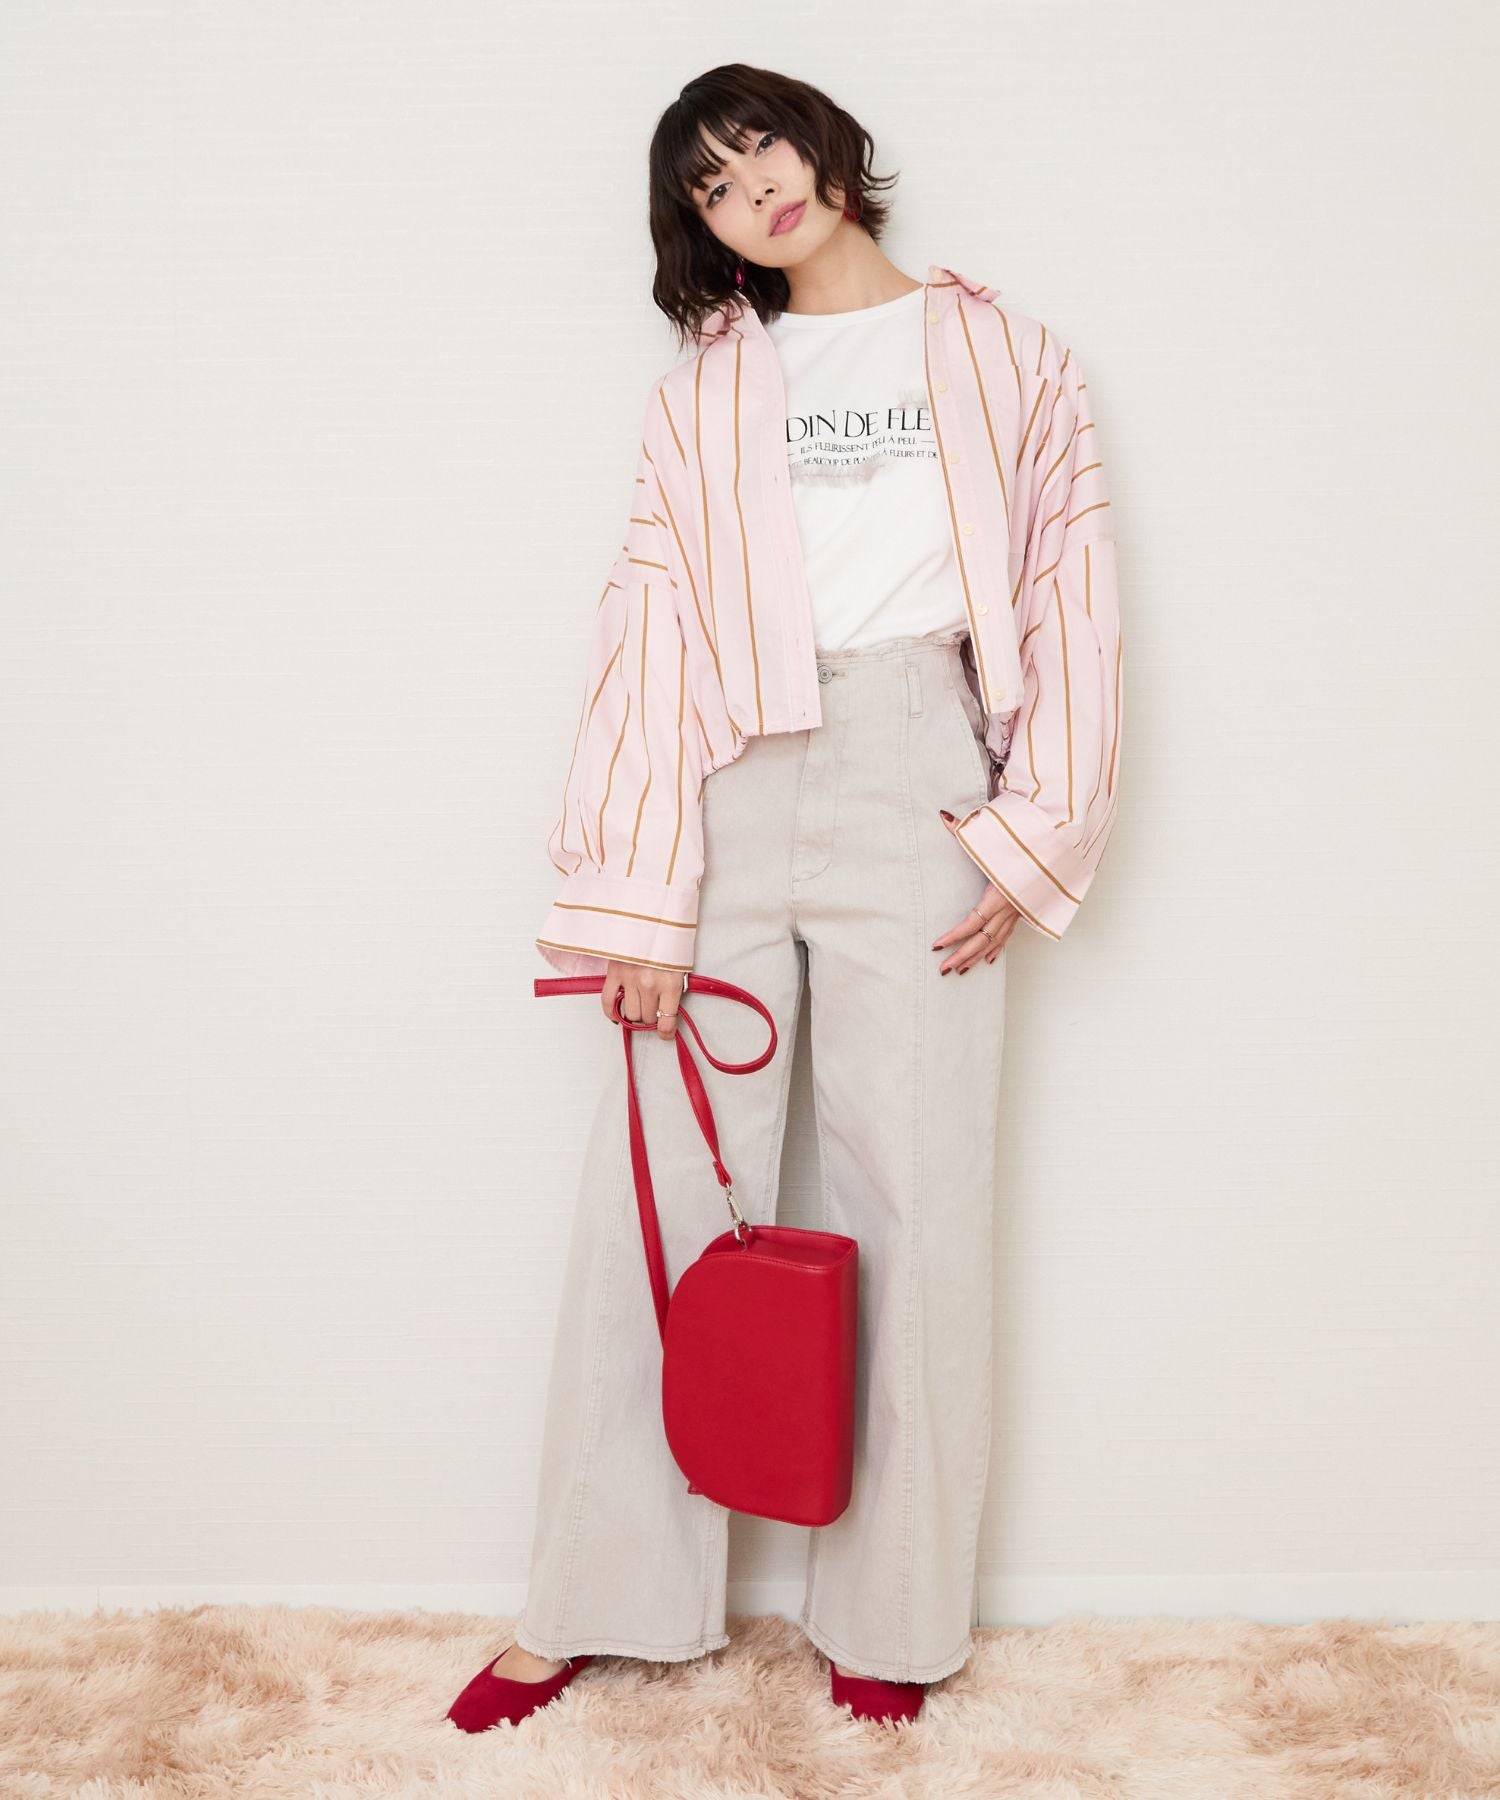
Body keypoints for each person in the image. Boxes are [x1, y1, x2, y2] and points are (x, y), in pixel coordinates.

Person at [446, 59, 1124, 1735]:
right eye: (710, 182)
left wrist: (1031, 834)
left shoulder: (1008, 354)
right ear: (701, 228)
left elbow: (1071, 587)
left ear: (825, 147)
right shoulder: (704, 391)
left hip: (921, 766)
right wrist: (639, 895)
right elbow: (653, 627)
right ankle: (600, 1593)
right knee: (664, 1200)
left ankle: (894, 1615)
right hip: (728, 776)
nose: (751, 186)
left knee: (923, 1192)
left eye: (762, 147)